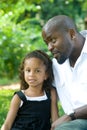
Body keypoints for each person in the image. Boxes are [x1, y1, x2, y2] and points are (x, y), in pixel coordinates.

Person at [42, 15, 87, 130]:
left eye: (53, 40)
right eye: (46, 43)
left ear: (72, 34)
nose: (49, 48)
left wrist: (71, 116)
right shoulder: (56, 66)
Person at [1, 50, 58, 130]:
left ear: (46, 75)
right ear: (23, 72)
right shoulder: (19, 97)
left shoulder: (51, 93)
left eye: (37, 71)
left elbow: (55, 121)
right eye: (28, 70)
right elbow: (7, 125)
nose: (31, 74)